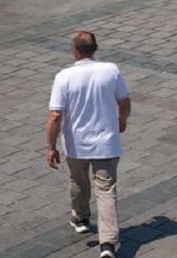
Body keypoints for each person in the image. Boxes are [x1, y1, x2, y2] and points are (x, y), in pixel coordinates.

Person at [46, 31, 130, 258]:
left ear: (75, 51)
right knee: (106, 190)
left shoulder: (64, 76)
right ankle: (108, 245)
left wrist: (51, 146)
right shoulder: (110, 70)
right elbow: (124, 101)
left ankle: (81, 218)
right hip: (107, 143)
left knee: (79, 181)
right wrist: (122, 121)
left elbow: (55, 116)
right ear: (95, 49)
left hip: (77, 145)